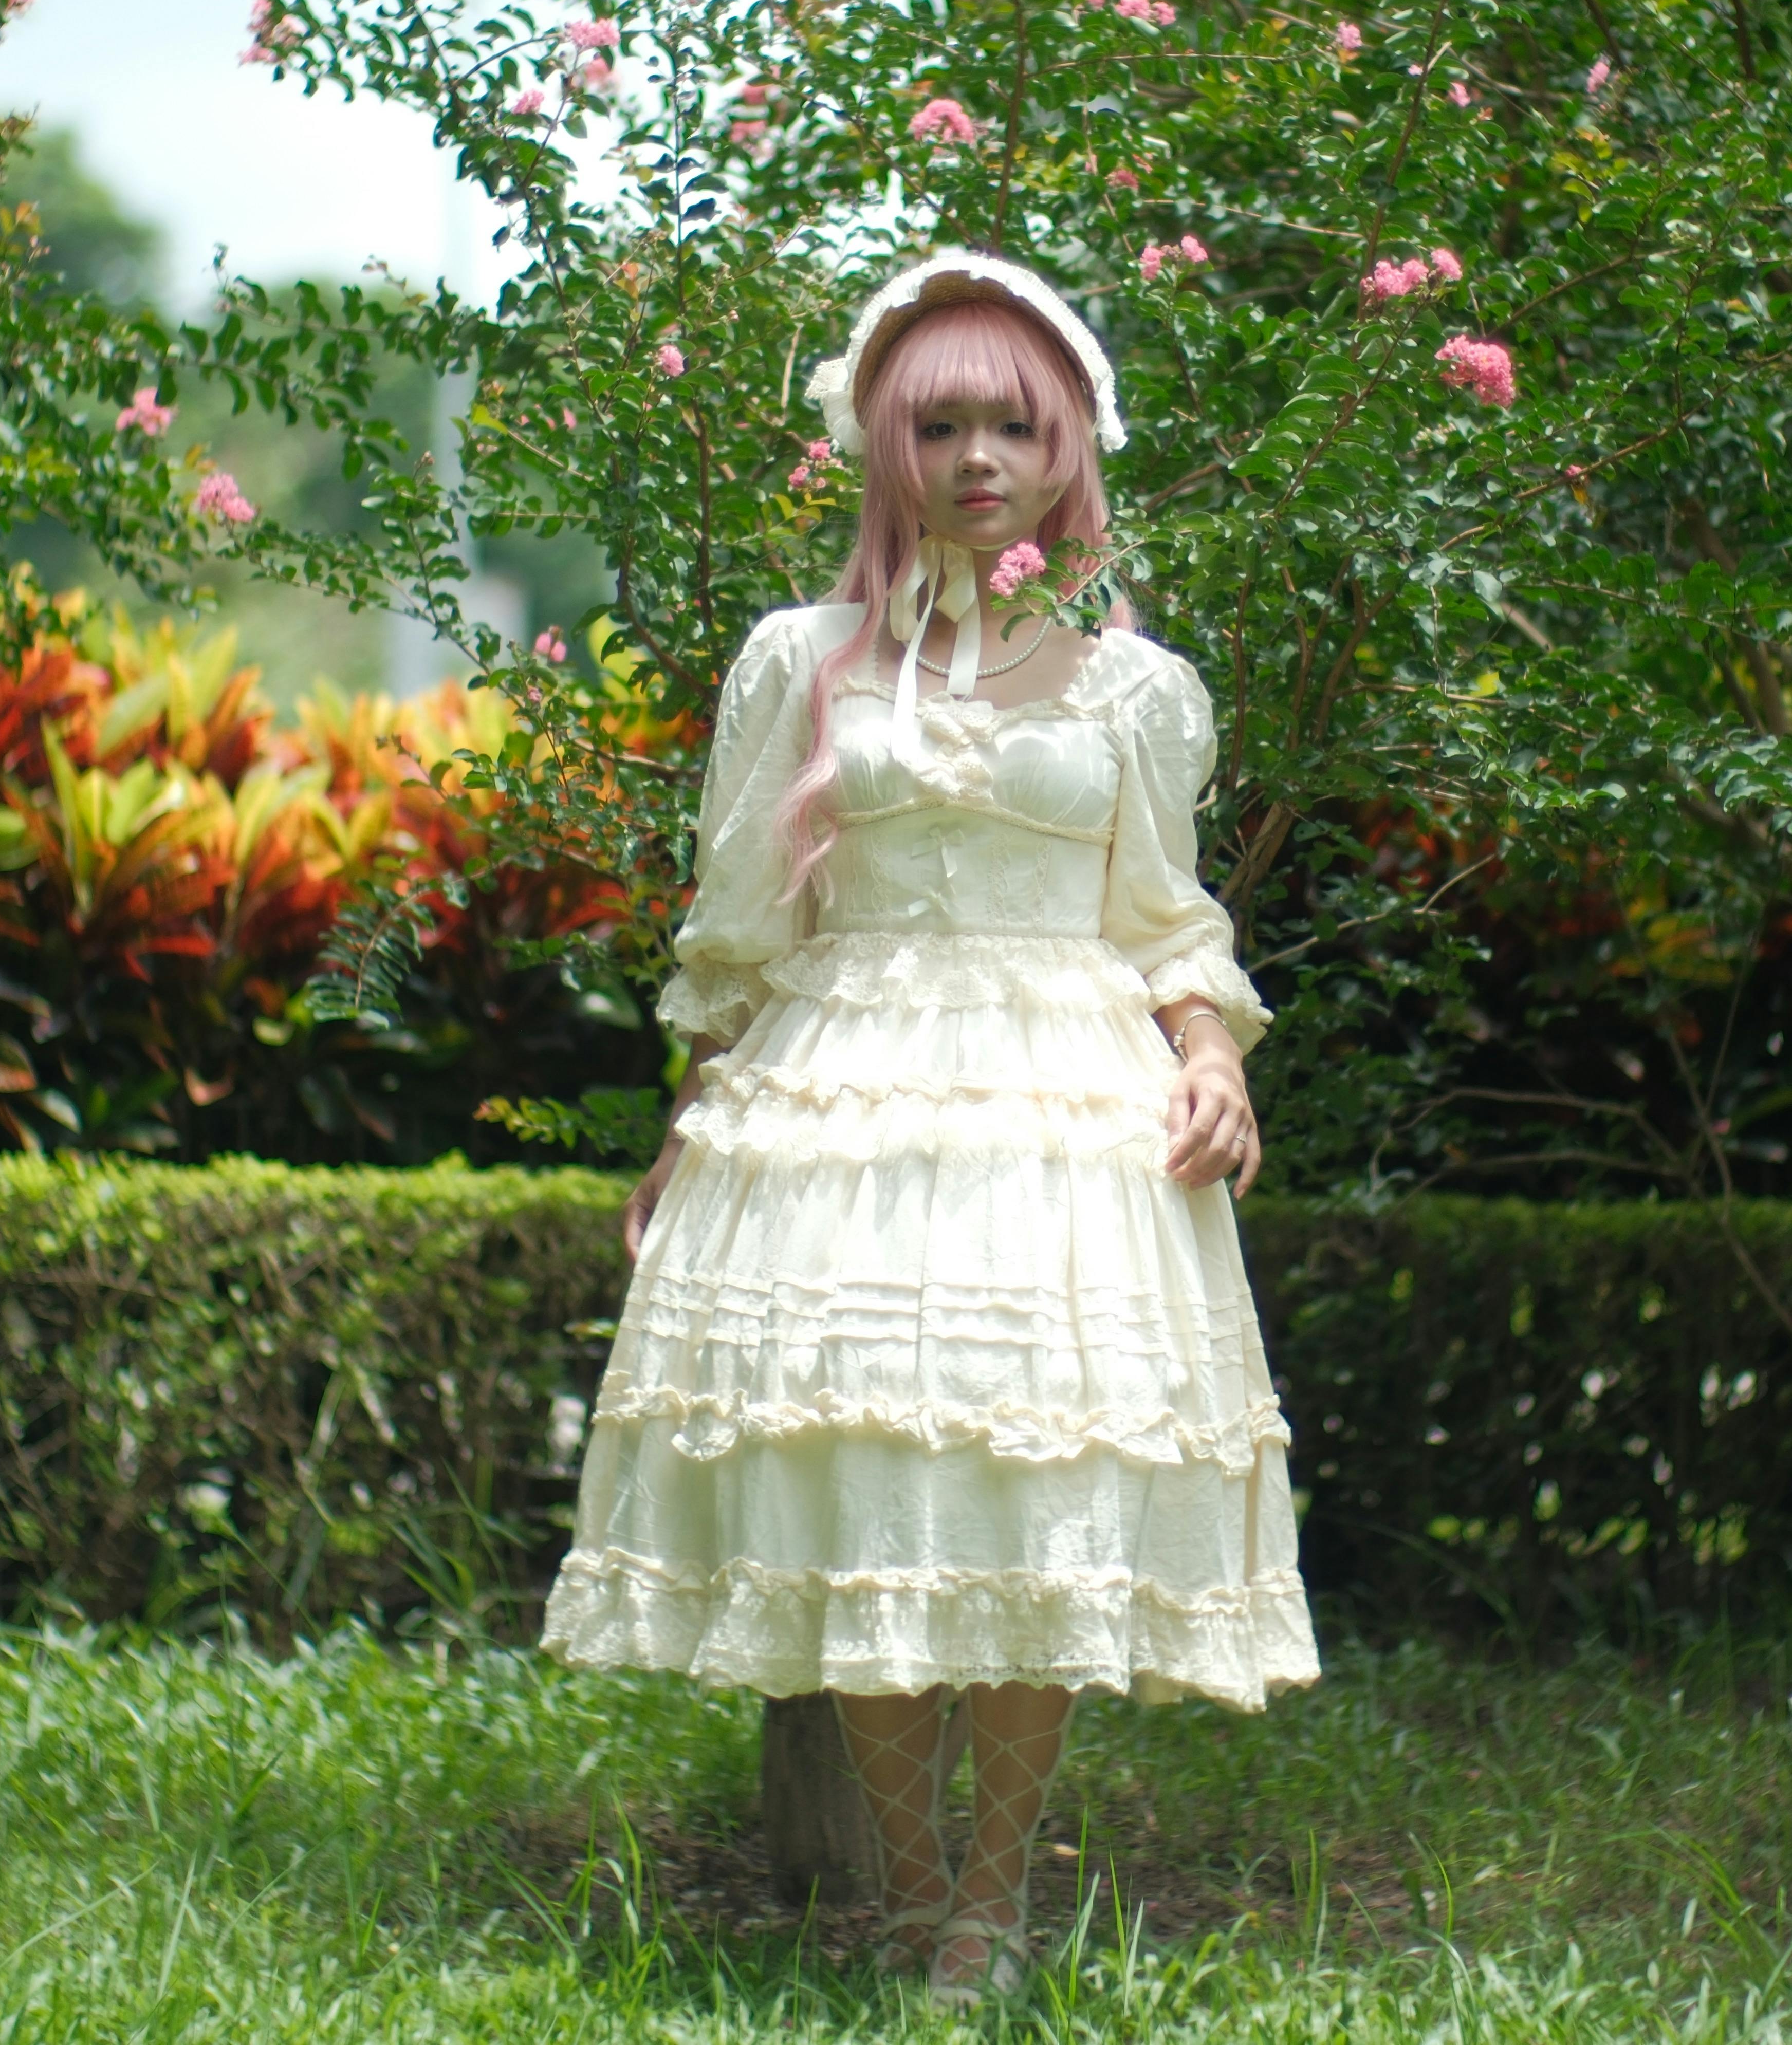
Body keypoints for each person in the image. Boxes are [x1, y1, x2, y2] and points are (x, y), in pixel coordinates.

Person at [540, 249, 1318, 2006]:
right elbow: (743, 921)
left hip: (1068, 1123)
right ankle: (906, 1900)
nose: (979, 456)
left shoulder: (1135, 688)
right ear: (884, 445)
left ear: (1070, 448)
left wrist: (1212, 1052)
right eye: (941, 423)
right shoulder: (799, 661)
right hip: (850, 1118)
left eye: (1014, 426)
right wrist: (691, 1121)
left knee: (1036, 1489)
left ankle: (992, 1905)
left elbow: (1166, 918)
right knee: (883, 1483)